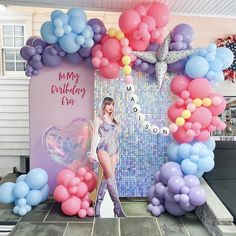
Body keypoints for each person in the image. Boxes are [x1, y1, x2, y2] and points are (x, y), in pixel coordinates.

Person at [88, 97, 126, 218]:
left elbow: (115, 138)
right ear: (104, 105)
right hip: (103, 149)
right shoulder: (99, 119)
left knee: (106, 177)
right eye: (108, 104)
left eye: (112, 105)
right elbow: (95, 135)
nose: (111, 106)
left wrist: (118, 153)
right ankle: (117, 207)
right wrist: (92, 152)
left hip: (114, 151)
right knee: (110, 176)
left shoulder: (114, 120)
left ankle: (97, 206)